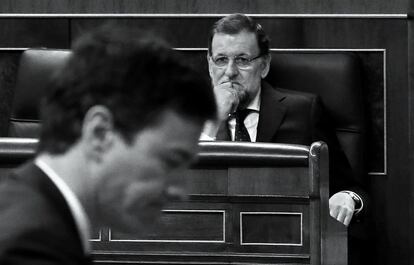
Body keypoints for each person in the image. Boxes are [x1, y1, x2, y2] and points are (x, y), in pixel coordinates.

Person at [0, 25, 216, 265]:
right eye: (171, 161)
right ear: (100, 133)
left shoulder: (33, 217)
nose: (180, 191)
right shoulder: (28, 250)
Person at [201, 13, 370, 264]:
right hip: (211, 248)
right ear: (209, 64)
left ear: (265, 65)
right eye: (221, 60)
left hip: (284, 247)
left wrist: (348, 199)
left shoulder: (303, 110)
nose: (230, 72)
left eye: (243, 60)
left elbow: (352, 190)